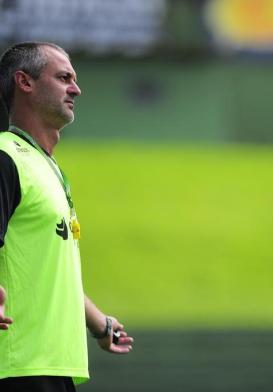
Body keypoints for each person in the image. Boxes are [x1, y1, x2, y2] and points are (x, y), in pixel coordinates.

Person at [0, 42, 133, 392]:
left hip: (54, 366)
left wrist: (97, 322)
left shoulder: (46, 167)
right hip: (16, 367)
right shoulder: (5, 157)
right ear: (24, 82)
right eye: (63, 78)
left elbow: (46, 268)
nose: (76, 88)